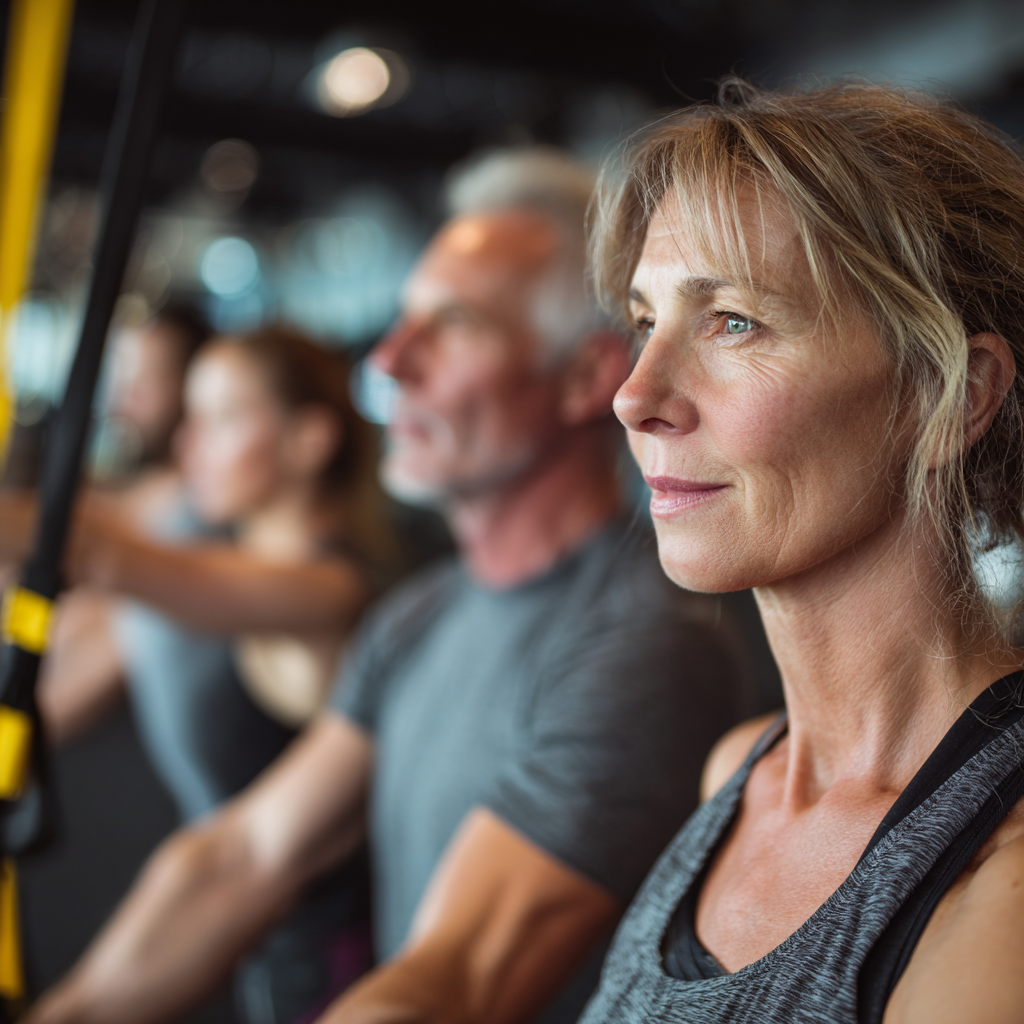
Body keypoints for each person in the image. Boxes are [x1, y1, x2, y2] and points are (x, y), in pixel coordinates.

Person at [24, 148, 745, 1024]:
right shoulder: (420, 612)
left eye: (455, 324)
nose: (394, 358)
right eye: (405, 320)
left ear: (587, 378)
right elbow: (245, 854)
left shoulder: (646, 644)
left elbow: (454, 978)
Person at [577, 80, 1024, 1024]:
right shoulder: (739, 773)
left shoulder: (1002, 875)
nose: (634, 396)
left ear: (953, 395)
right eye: (647, 323)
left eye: (733, 320)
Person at [4, 325, 396, 1022]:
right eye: (190, 417)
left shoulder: (328, 591)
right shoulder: (212, 542)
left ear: (309, 440)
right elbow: (106, 581)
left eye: (222, 419)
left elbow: (98, 551)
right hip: (233, 931)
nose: (189, 444)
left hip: (324, 958)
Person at [38, 305, 212, 743]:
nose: (123, 398)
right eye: (122, 378)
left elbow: (100, 650)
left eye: (146, 382)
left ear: (194, 388)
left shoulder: (195, 517)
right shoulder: (135, 493)